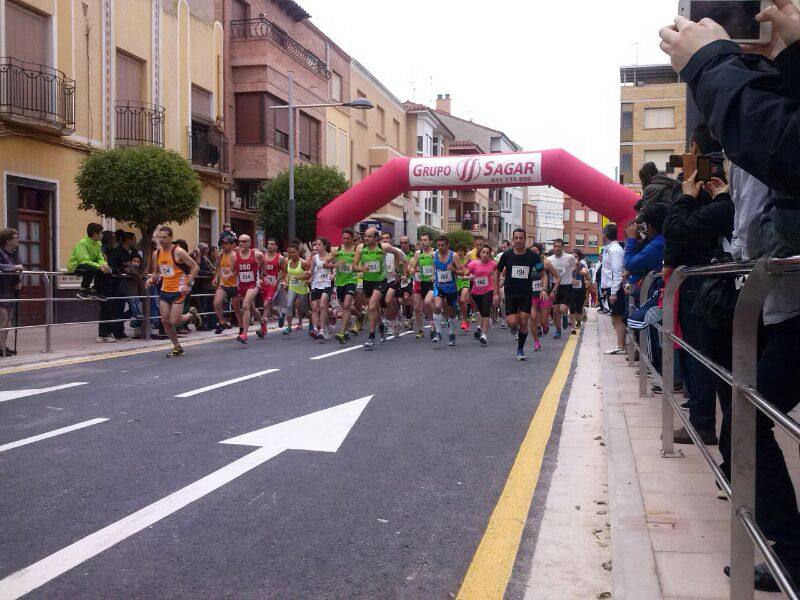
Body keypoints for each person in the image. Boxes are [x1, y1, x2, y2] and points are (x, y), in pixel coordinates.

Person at [495, 228, 557, 360]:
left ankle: (520, 349)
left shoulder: (532, 256)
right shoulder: (507, 255)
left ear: (525, 239)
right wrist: (496, 292)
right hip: (511, 293)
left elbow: (543, 275)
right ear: (512, 240)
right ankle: (513, 327)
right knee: (512, 322)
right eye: (516, 238)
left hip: (526, 294)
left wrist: (544, 289)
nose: (518, 240)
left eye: (521, 238)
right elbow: (497, 272)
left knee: (523, 321)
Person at [147, 226, 202, 357]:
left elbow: (195, 267)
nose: (161, 240)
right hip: (165, 290)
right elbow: (156, 273)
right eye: (159, 237)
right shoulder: (157, 254)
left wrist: (188, 283)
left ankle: (191, 314)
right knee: (165, 320)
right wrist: (150, 280)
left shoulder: (178, 251)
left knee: (174, 321)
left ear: (171, 237)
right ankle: (177, 347)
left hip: (179, 290)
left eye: (164, 237)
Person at [352, 227, 406, 349]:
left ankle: (371, 336)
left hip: (380, 281)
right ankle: (381, 326)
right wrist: (362, 269)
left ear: (376, 238)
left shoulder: (384, 247)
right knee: (375, 309)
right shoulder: (360, 248)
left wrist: (395, 269)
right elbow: (354, 267)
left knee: (371, 306)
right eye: (365, 236)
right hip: (367, 282)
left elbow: (396, 252)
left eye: (369, 236)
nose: (366, 238)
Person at [430, 235, 465, 346]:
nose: (440, 247)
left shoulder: (453, 256)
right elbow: (434, 268)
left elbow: (462, 271)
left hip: (451, 288)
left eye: (442, 245)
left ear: (447, 245)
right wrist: (433, 276)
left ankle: (452, 333)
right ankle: (438, 333)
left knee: (451, 312)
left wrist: (454, 270)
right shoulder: (434, 255)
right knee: (437, 306)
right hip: (439, 286)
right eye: (438, 245)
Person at [233, 234, 265, 344]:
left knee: (245, 305)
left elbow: (263, 263)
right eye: (240, 241)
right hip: (241, 285)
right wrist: (227, 274)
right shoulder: (235, 256)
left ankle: (245, 334)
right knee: (252, 309)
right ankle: (262, 322)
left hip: (253, 284)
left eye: (244, 241)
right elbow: (232, 271)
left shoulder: (257, 254)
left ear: (249, 243)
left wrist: (262, 273)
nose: (241, 243)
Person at [69, 222, 112, 301]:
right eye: (101, 233)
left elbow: (100, 258)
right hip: (77, 265)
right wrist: (99, 267)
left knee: (107, 271)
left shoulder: (98, 244)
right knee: (92, 269)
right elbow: (83, 260)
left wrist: (104, 265)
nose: (103, 235)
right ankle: (82, 291)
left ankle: (95, 291)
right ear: (95, 234)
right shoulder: (82, 243)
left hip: (90, 264)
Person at [600, 224, 627, 354]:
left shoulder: (615, 250)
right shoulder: (610, 249)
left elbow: (617, 272)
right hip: (611, 288)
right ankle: (620, 345)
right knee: (615, 317)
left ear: (605, 234)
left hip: (615, 289)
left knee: (618, 317)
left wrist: (614, 292)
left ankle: (621, 346)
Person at [466, 244, 497, 345]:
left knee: (485, 311)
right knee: (481, 311)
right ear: (480, 253)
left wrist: (499, 280)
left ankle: (484, 334)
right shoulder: (473, 264)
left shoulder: (493, 264)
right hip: (476, 291)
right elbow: (465, 273)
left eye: (487, 253)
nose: (485, 255)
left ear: (490, 255)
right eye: (483, 252)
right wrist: (469, 276)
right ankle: (485, 324)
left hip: (488, 289)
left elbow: (499, 271)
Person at [546, 238, 578, 338]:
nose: (558, 248)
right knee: (555, 311)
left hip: (567, 286)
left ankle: (565, 315)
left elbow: (575, 265)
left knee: (562, 308)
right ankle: (558, 330)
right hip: (555, 286)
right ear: (553, 247)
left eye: (560, 246)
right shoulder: (549, 259)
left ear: (563, 247)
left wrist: (572, 277)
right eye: (556, 246)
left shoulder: (569, 257)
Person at [333, 229, 358, 344]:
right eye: (344, 238)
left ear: (352, 239)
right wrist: (335, 264)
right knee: (345, 307)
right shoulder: (337, 250)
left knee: (347, 305)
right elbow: (325, 263)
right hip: (340, 283)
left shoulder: (357, 251)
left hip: (351, 281)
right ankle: (360, 316)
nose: (346, 240)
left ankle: (342, 332)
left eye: (348, 238)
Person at [409, 232, 436, 339]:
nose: (423, 242)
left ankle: (432, 322)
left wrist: (434, 275)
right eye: (421, 240)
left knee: (427, 302)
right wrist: (411, 270)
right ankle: (420, 330)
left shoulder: (435, 253)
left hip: (430, 283)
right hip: (419, 282)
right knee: (416, 308)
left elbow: (439, 267)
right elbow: (413, 266)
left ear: (430, 241)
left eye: (425, 240)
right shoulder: (418, 253)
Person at [0, 228, 22, 357]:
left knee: (8, 321)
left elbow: (20, 270)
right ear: (8, 241)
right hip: (1, 290)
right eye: (16, 237)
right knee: (2, 320)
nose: (18, 239)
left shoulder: (14, 253)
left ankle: (3, 346)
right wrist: (12, 267)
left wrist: (20, 283)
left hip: (11, 290)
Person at [212, 235, 239, 335]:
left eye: (226, 243)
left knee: (238, 308)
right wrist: (216, 278)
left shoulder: (236, 255)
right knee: (217, 303)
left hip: (236, 285)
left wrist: (231, 273)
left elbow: (239, 269)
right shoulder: (220, 255)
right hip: (224, 284)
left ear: (232, 245)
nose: (224, 246)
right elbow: (218, 268)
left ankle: (242, 326)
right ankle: (222, 322)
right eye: (222, 243)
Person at [309, 238, 334, 340]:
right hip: (316, 284)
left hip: (327, 284)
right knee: (315, 308)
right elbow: (311, 271)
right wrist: (307, 275)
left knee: (323, 305)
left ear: (324, 246)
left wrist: (334, 275)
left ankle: (322, 330)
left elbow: (335, 268)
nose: (317, 247)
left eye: (319, 245)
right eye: (316, 245)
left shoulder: (330, 256)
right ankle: (317, 328)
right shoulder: (314, 258)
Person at [283, 243, 310, 334]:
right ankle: (289, 327)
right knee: (289, 305)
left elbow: (309, 275)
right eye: (289, 253)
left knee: (305, 309)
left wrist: (304, 278)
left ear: (298, 252)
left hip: (302, 289)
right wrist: (286, 282)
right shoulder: (287, 262)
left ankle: (311, 321)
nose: (291, 254)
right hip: (292, 288)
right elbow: (287, 274)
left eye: (293, 252)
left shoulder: (303, 263)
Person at [259, 237, 284, 336]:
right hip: (264, 284)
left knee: (266, 305)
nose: (269, 246)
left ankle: (263, 329)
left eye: (272, 244)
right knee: (268, 306)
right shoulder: (262, 257)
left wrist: (277, 280)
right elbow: (259, 270)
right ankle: (279, 314)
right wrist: (261, 276)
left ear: (276, 246)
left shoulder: (280, 258)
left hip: (273, 285)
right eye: (268, 244)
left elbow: (284, 272)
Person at [529, 242, 551, 350]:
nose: (533, 252)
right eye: (531, 250)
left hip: (543, 295)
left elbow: (557, 277)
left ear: (540, 252)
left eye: (535, 250)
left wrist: (551, 290)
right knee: (533, 318)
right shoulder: (527, 263)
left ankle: (545, 326)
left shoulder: (546, 263)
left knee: (543, 322)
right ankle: (536, 342)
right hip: (531, 295)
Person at [380, 232, 402, 337]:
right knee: (385, 304)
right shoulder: (379, 251)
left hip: (393, 280)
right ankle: (394, 321)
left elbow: (406, 262)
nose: (385, 240)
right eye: (383, 238)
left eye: (387, 238)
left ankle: (391, 324)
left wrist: (398, 271)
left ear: (391, 239)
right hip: (383, 280)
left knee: (388, 300)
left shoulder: (396, 251)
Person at [569, 252, 591, 333]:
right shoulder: (568, 266)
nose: (574, 259)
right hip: (570, 289)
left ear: (578, 258)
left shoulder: (582, 266)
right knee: (572, 307)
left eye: (575, 257)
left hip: (581, 289)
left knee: (578, 307)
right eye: (572, 257)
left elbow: (587, 276)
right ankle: (572, 325)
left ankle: (578, 319)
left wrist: (587, 285)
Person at [398, 236, 416, 329]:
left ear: (409, 243)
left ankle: (408, 319)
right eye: (401, 243)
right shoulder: (397, 254)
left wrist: (407, 273)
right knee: (401, 301)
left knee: (406, 297)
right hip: (399, 279)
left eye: (405, 243)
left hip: (410, 279)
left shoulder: (413, 255)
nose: (403, 245)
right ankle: (409, 313)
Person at [455, 245, 473, 332]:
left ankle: (465, 320)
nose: (459, 253)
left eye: (461, 251)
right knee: (461, 303)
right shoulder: (453, 261)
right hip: (456, 283)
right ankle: (466, 318)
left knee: (462, 300)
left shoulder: (467, 261)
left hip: (465, 282)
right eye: (458, 251)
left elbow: (467, 272)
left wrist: (466, 275)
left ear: (464, 252)